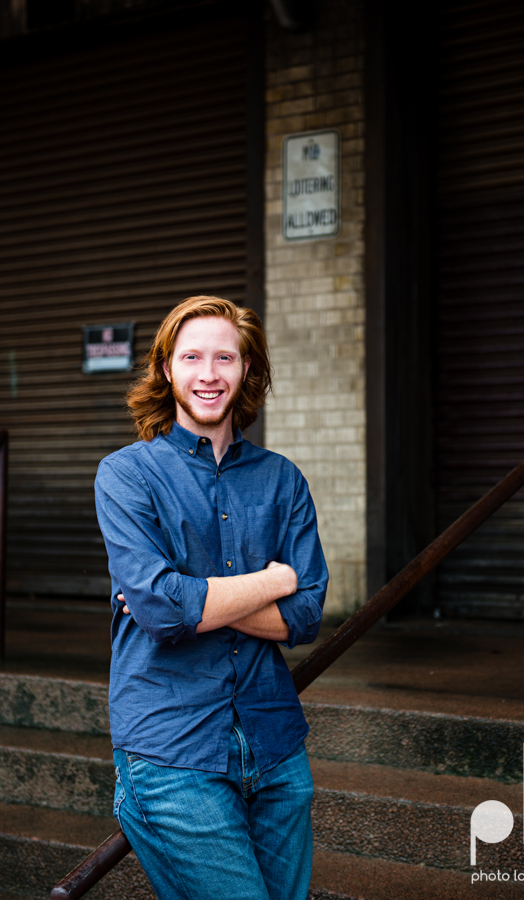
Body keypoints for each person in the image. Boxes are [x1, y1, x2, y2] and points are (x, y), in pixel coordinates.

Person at [94, 295, 329, 900]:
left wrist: (194, 596)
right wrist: (275, 580)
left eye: (225, 357)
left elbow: (305, 616)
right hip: (172, 751)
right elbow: (160, 609)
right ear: (166, 368)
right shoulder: (127, 474)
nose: (208, 373)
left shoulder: (283, 480)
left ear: (246, 369)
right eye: (191, 356)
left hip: (276, 748)